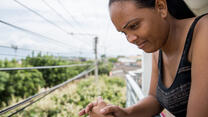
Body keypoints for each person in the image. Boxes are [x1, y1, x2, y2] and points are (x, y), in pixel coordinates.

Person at [79, 0, 208, 116]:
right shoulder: (157, 50)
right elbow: (155, 98)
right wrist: (124, 113)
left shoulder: (203, 32)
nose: (130, 39)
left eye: (134, 25)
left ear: (161, 7)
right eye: (124, 33)